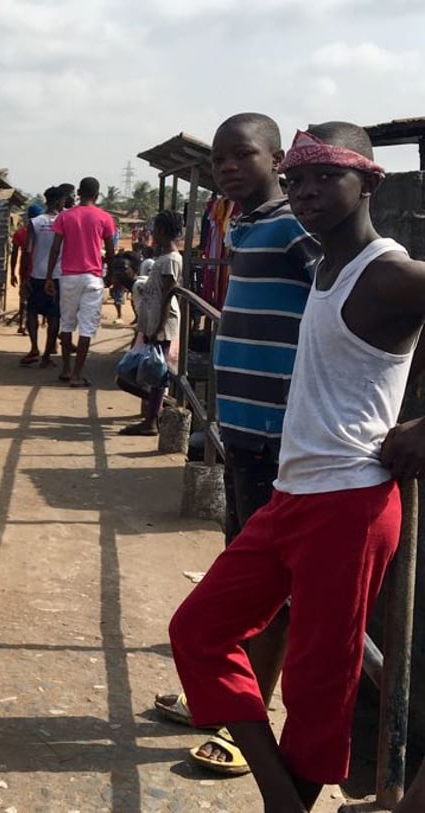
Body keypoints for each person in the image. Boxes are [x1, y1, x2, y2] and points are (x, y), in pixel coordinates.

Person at [169, 121, 425, 812]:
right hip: (293, 492)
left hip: (348, 502)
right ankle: (283, 797)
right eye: (298, 178)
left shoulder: (388, 272)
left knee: (317, 687)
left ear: (367, 181)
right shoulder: (323, 264)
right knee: (198, 630)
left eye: (324, 176)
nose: (305, 191)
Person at [154, 113, 320, 776]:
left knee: (267, 588)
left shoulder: (297, 228)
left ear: (275, 159)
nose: (225, 168)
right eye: (219, 158)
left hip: (283, 435)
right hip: (244, 433)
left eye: (240, 156)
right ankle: (225, 696)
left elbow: (341, 300)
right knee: (239, 571)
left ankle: (248, 713)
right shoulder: (243, 224)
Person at [46, 177, 117, 387]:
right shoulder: (105, 218)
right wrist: (110, 274)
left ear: (78, 192)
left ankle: (66, 369)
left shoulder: (65, 217)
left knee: (66, 324)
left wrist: (49, 276)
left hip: (68, 276)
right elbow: (111, 251)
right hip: (93, 277)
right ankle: (77, 374)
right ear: (97, 195)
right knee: (87, 328)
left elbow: (55, 248)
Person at [117, 211, 182, 436]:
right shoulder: (164, 258)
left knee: (156, 374)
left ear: (163, 231)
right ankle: (154, 415)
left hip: (162, 324)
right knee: (154, 374)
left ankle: (156, 417)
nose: (152, 234)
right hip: (154, 323)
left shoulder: (171, 260)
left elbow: (167, 295)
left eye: (155, 230)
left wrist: (158, 327)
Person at [19, 187, 68, 367]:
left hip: (37, 275)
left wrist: (24, 276)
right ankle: (47, 355)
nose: (65, 204)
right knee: (54, 316)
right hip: (57, 276)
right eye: (63, 200)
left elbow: (27, 250)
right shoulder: (64, 221)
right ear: (58, 201)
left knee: (32, 311)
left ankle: (34, 348)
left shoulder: (35, 222)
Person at [10, 205, 41, 334]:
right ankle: (40, 322)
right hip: (40, 271)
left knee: (24, 298)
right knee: (39, 298)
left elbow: (14, 254)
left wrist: (12, 273)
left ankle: (22, 324)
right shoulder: (43, 233)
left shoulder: (20, 233)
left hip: (24, 270)